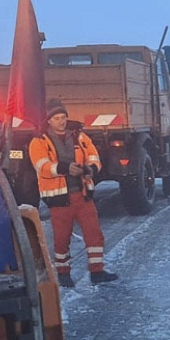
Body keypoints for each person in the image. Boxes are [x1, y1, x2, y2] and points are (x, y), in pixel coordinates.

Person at [29, 98, 118, 287]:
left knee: (94, 234)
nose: (61, 121)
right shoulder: (38, 141)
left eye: (63, 117)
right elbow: (41, 166)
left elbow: (94, 157)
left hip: (83, 195)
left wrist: (89, 169)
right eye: (57, 118)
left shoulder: (80, 136)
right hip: (59, 200)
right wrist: (65, 168)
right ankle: (63, 273)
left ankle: (97, 271)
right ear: (49, 121)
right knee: (61, 239)